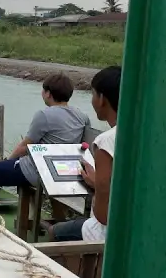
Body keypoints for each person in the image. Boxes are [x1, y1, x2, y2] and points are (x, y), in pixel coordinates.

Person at [0, 73, 91, 207]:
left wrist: (7, 160)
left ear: (48, 93)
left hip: (41, 171)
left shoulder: (44, 115)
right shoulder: (82, 116)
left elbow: (24, 147)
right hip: (66, 172)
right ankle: (57, 221)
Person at [46, 66, 120, 242]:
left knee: (55, 232)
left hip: (109, 230)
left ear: (101, 98)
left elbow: (103, 216)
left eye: (93, 94)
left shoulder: (106, 142)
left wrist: (96, 184)